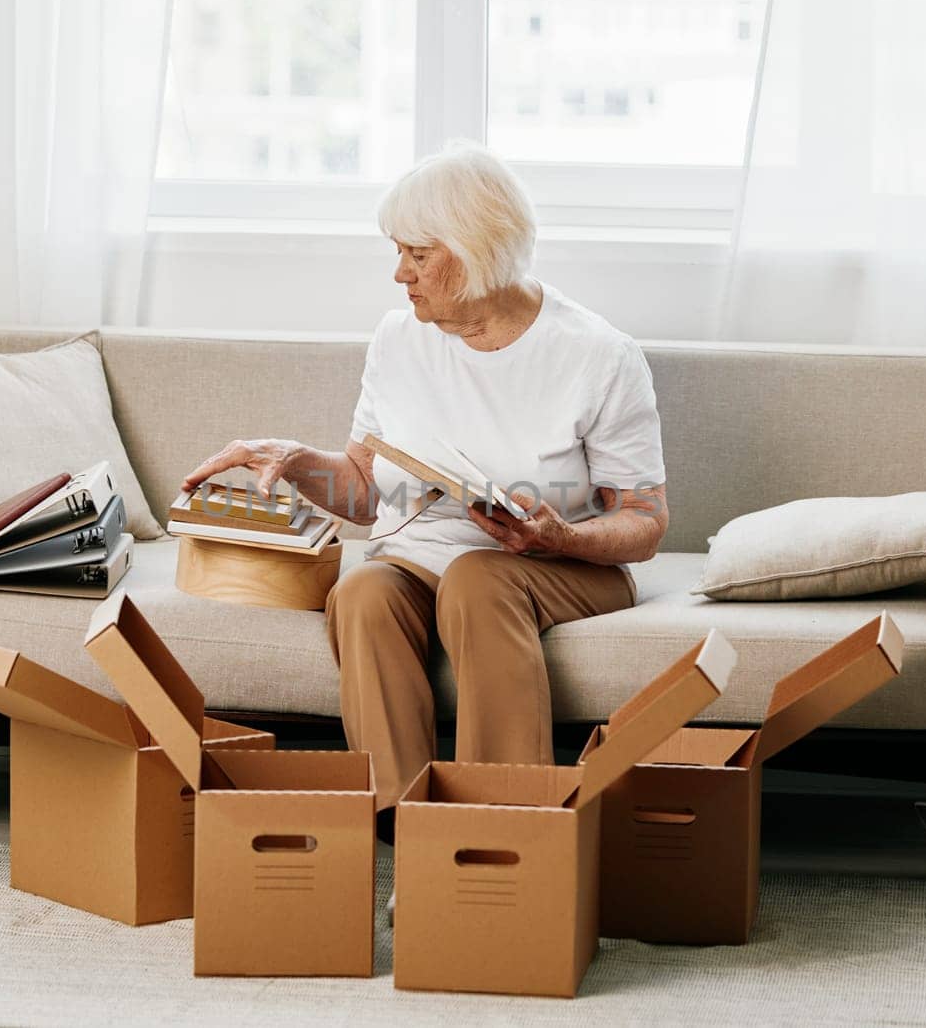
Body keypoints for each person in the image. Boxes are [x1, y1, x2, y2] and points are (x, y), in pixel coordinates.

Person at [179, 141, 669, 823]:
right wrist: (293, 458)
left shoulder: (598, 354)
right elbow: (362, 487)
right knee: (363, 592)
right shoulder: (399, 338)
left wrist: (558, 533)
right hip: (421, 563)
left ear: (474, 249)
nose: (399, 274)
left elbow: (644, 522)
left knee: (479, 576)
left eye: (416, 253)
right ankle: (409, 827)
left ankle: (505, 825)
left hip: (558, 567)